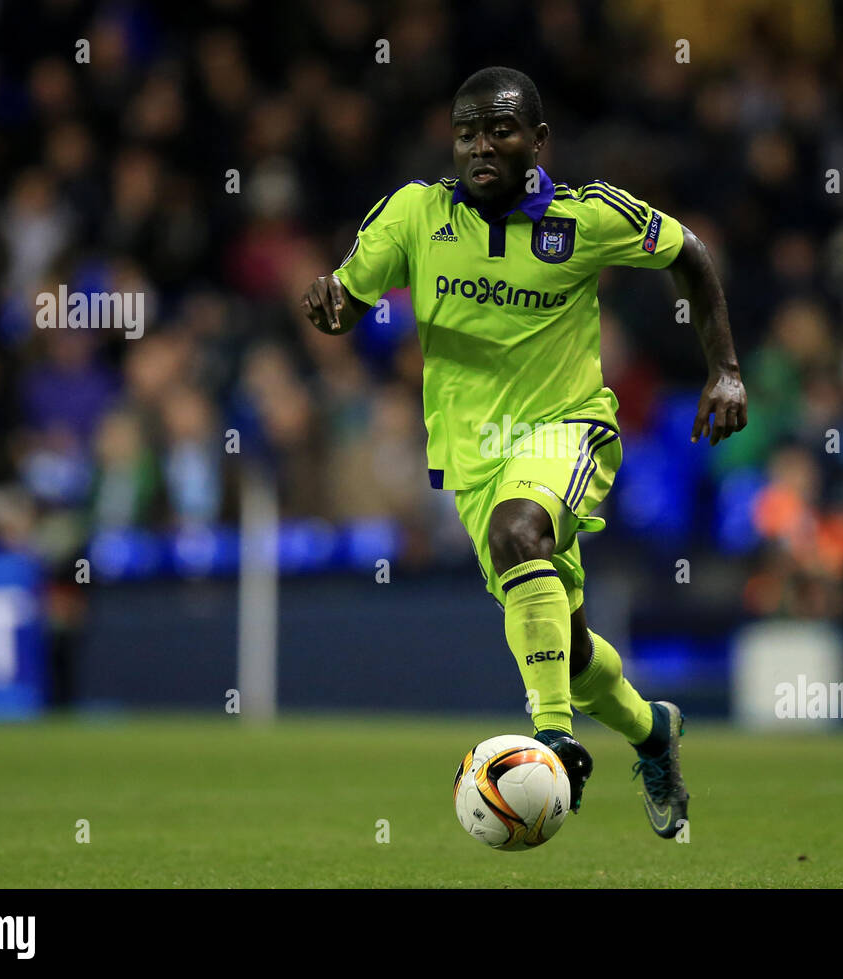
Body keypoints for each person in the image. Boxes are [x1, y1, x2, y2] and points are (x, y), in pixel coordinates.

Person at [301, 67, 746, 837]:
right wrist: (332, 308)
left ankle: (551, 738)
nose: (481, 146)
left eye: (500, 130)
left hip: (569, 430)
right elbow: (348, 302)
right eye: (467, 131)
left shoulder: (588, 217)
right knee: (566, 648)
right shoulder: (415, 215)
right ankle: (653, 733)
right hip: (472, 459)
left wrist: (725, 368)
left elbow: (690, 254)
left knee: (519, 534)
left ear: (538, 141)